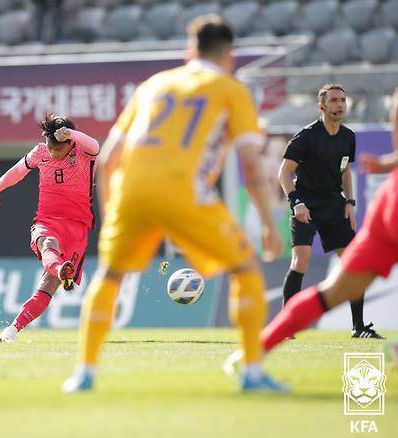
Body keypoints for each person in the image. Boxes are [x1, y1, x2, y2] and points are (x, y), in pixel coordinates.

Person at [62, 15, 286, 393]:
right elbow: (251, 162)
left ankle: (84, 373)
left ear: (188, 52)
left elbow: (108, 156)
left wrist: (110, 213)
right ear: (229, 55)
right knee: (245, 269)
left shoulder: (155, 84)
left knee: (110, 276)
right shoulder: (230, 89)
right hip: (183, 190)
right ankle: (252, 372)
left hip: (130, 191)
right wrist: (268, 222)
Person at [257, 87, 398, 353]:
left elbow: (345, 172)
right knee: (301, 260)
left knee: (352, 264)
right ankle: (287, 326)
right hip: (306, 205)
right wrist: (296, 202)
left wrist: (350, 202)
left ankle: (358, 327)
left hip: (335, 206)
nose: (340, 104)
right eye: (333, 100)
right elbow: (284, 172)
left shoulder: (348, 137)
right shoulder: (306, 137)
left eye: (343, 100)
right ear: (321, 107)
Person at [0, 114, 100, 343]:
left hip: (77, 228)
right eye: (49, 147)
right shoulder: (40, 153)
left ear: (69, 143)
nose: (52, 152)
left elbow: (96, 145)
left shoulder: (84, 153)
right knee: (47, 243)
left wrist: (72, 134)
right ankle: (12, 330)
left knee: (47, 286)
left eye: (57, 149)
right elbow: (17, 172)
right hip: (47, 220)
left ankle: (57, 272)